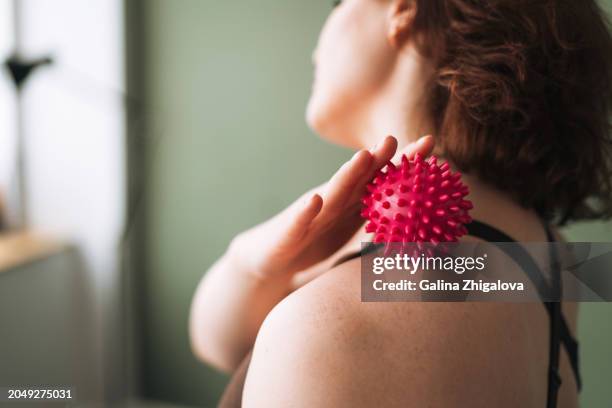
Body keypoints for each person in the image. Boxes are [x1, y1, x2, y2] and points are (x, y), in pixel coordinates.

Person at [189, 0, 612, 406]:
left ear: (402, 9)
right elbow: (223, 345)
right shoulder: (556, 259)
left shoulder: (330, 322)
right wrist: (251, 262)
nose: (316, 45)